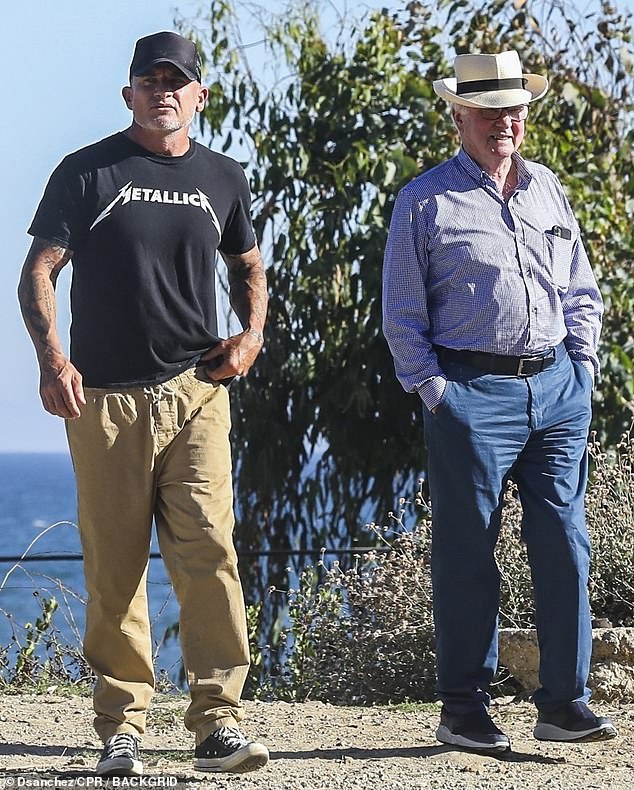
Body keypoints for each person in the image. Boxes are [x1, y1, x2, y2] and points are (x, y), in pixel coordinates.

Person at [18, 31, 269, 776]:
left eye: (177, 80)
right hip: (105, 401)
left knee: (209, 554)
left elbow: (248, 265)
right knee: (117, 566)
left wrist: (251, 337)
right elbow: (39, 268)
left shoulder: (224, 178)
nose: (163, 90)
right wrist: (51, 360)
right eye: (148, 79)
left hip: (198, 395)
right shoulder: (87, 171)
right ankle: (120, 728)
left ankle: (217, 721)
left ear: (199, 96)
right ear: (127, 92)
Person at [382, 50, 616, 752]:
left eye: (513, 109)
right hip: (470, 394)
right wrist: (437, 394)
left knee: (566, 547)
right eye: (487, 112)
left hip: (556, 389)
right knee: (466, 556)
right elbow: (401, 318)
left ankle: (564, 703)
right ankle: (463, 709)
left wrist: (582, 367)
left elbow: (580, 289)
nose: (503, 122)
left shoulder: (548, 189)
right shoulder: (423, 200)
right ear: (459, 116)